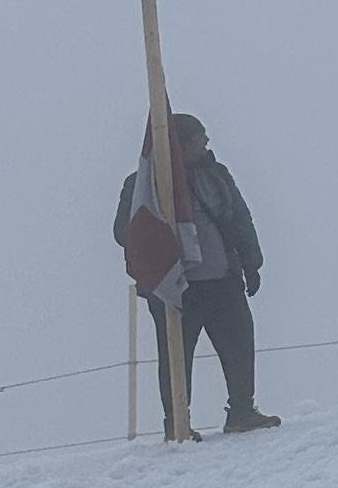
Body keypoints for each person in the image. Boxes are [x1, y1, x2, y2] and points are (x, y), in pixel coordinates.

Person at [114, 114, 275, 434]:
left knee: (240, 347)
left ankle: (242, 411)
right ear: (179, 142)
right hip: (176, 288)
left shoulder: (216, 175)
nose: (205, 144)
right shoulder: (143, 184)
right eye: (199, 139)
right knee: (175, 358)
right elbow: (125, 231)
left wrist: (251, 263)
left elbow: (240, 218)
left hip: (223, 280)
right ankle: (177, 424)